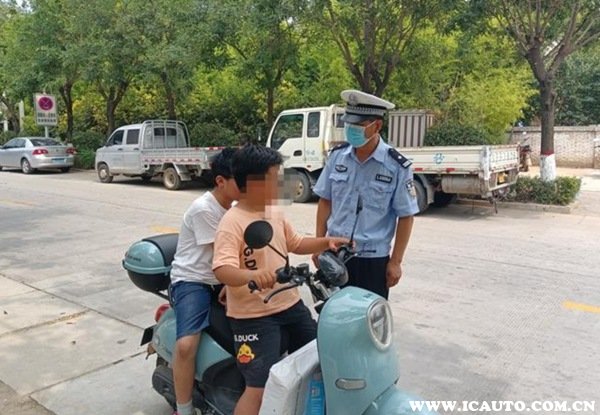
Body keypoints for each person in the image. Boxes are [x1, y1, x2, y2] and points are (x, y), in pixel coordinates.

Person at [212, 144, 348, 415]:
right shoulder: (232, 222)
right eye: (275, 178)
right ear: (254, 183)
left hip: (289, 304)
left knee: (320, 359)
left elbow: (295, 243)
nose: (280, 184)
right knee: (259, 388)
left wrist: (326, 241)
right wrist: (252, 275)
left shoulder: (273, 212)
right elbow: (222, 269)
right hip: (253, 316)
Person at [313, 89, 419, 299]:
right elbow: (325, 202)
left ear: (377, 126)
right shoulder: (337, 157)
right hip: (334, 254)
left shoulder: (396, 166)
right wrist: (318, 244)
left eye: (358, 125)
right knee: (331, 314)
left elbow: (406, 216)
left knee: (368, 317)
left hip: (372, 261)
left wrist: (396, 261)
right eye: (348, 124)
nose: (350, 130)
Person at [169, 147, 240, 415]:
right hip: (193, 281)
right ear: (221, 181)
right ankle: (183, 408)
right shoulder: (204, 209)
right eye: (240, 180)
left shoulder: (235, 208)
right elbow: (224, 256)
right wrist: (233, 284)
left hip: (221, 279)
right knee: (187, 345)